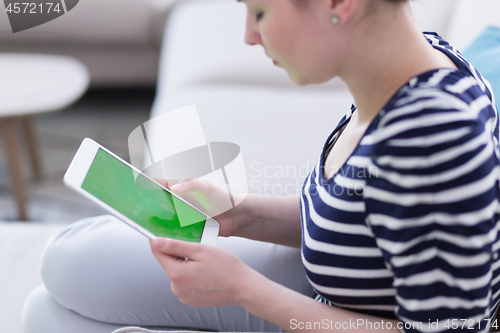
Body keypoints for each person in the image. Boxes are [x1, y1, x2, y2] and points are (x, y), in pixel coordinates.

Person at [23, 0, 500, 332]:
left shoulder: (434, 138)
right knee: (58, 279)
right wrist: (238, 212)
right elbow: (358, 214)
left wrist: (245, 291)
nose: (249, 36)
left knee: (50, 309)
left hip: (340, 314)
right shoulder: (417, 65)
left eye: (261, 12)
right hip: (333, 289)